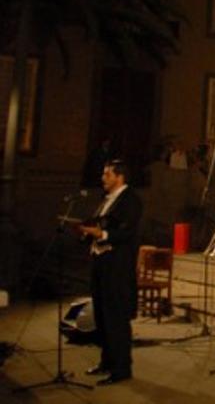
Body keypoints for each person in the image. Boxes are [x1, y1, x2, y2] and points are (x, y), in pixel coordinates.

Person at [80, 160, 142, 386]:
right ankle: (106, 361)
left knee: (116, 318)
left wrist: (103, 234)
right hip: (101, 262)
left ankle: (121, 368)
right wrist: (88, 232)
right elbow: (102, 225)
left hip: (117, 266)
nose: (102, 178)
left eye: (107, 174)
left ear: (120, 176)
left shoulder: (130, 200)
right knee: (102, 316)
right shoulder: (106, 201)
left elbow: (127, 233)